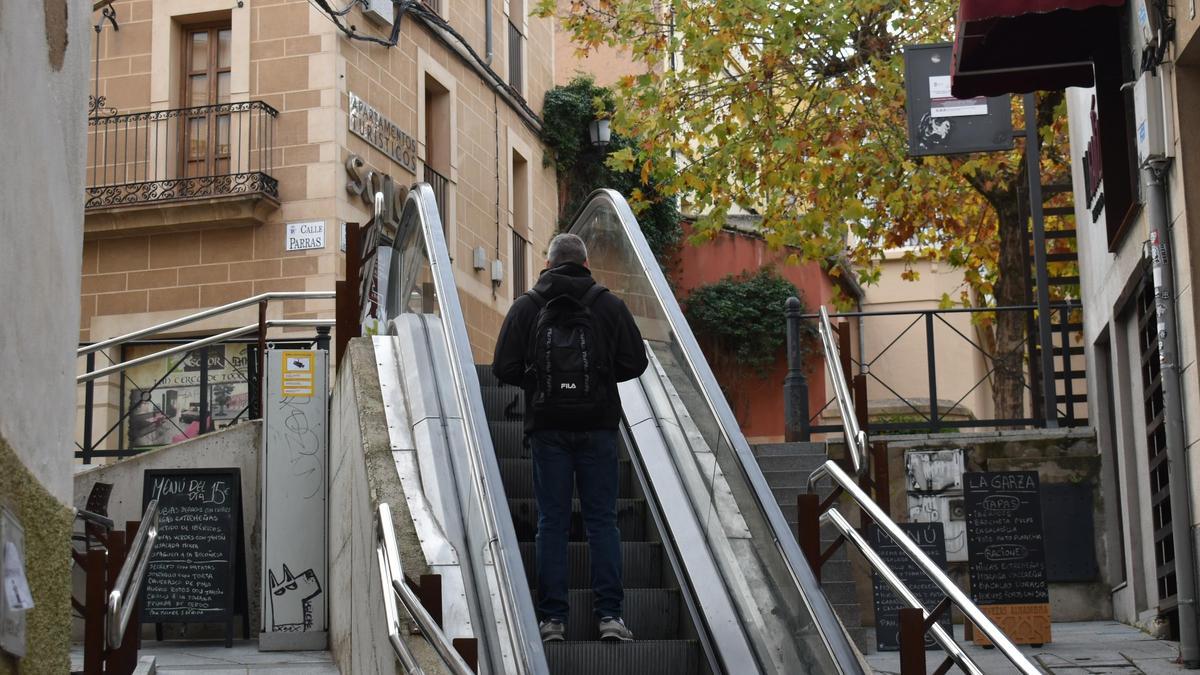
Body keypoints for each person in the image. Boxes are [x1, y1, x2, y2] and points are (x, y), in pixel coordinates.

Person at [492, 233, 648, 643]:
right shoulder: (609, 305)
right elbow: (636, 361)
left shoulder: (527, 306)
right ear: (585, 264)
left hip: (548, 428)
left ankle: (552, 621)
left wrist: (537, 381)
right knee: (602, 523)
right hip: (597, 427)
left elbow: (503, 367)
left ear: (547, 265)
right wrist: (598, 379)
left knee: (552, 523)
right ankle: (610, 617)